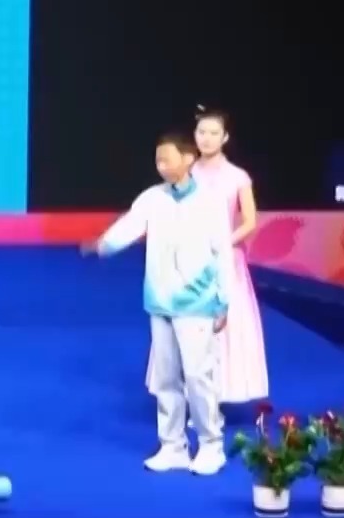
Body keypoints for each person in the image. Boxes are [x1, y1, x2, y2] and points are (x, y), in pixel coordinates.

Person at [82, 132, 234, 475]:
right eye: (158, 160)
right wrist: (103, 245)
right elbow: (128, 226)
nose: (161, 165)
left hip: (197, 302)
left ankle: (211, 446)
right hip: (159, 301)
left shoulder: (210, 201)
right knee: (165, 378)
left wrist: (224, 300)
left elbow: (223, 252)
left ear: (188, 159)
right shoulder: (152, 198)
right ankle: (172, 446)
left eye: (167, 159)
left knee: (198, 376)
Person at [191, 108, 269, 406]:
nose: (207, 139)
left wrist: (222, 243)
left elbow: (249, 221)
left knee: (224, 326)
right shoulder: (186, 173)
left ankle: (220, 394)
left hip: (225, 261)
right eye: (202, 132)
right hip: (190, 261)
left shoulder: (238, 177)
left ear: (225, 137)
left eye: (214, 133)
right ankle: (192, 396)